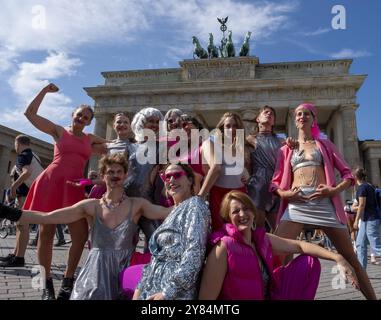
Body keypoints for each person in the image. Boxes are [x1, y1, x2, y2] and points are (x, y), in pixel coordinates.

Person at [0, 154, 171, 300]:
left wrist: (191, 192)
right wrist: (10, 212)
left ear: (126, 175)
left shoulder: (138, 204)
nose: (115, 175)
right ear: (103, 176)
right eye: (110, 172)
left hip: (124, 272)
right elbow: (48, 217)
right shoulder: (90, 206)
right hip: (95, 273)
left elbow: (166, 212)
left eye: (119, 172)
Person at [270, 102, 377, 300]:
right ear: (295, 119)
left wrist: (333, 190)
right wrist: (286, 195)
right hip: (296, 205)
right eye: (299, 114)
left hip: (325, 204)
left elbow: (348, 175)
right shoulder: (286, 149)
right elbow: (275, 183)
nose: (302, 117)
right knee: (276, 255)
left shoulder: (325, 144)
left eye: (307, 114)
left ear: (313, 119)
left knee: (351, 258)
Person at [22, 83, 107, 300]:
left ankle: (68, 282)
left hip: (74, 188)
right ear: (73, 115)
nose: (82, 119)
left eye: (86, 117)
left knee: (79, 236)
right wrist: (44, 91)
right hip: (51, 183)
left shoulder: (90, 140)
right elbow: (30, 114)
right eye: (79, 115)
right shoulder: (59, 131)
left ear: (90, 122)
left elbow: (114, 145)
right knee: (46, 234)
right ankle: (45, 284)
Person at [199, 191, 359, 300]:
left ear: (254, 213)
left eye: (246, 209)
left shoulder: (261, 239)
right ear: (227, 218)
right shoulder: (223, 247)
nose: (242, 214)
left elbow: (300, 246)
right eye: (235, 211)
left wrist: (338, 258)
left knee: (308, 262)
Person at [132, 163, 211, 300]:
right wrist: (139, 290)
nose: (172, 180)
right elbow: (156, 259)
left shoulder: (195, 205)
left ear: (190, 181)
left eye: (177, 175)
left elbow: (194, 252)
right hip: (151, 288)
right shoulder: (174, 211)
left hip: (174, 293)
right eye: (167, 177)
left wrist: (167, 293)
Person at [198, 112, 249, 232]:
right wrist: (200, 196)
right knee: (220, 232)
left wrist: (247, 175)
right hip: (218, 194)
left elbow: (245, 170)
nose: (232, 129)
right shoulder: (212, 144)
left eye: (235, 126)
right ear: (221, 128)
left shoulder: (242, 148)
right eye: (228, 126)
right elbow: (209, 171)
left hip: (240, 193)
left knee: (241, 231)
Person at [0, 135, 43, 267]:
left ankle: (19, 258)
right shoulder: (34, 156)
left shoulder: (23, 155)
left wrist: (13, 187)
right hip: (35, 193)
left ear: (17, 143)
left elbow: (27, 173)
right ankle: (15, 254)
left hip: (28, 195)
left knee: (22, 225)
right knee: (20, 225)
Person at [246, 106, 284, 231]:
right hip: (258, 184)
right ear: (258, 119)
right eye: (265, 112)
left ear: (273, 122)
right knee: (259, 229)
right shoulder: (250, 139)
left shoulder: (282, 141)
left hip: (277, 185)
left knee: (279, 230)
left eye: (272, 114)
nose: (269, 114)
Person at [353, 168, 381, 267]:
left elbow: (361, 205)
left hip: (370, 219)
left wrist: (356, 220)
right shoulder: (370, 186)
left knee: (376, 246)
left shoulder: (362, 188)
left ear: (355, 177)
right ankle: (362, 273)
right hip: (366, 220)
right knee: (360, 244)